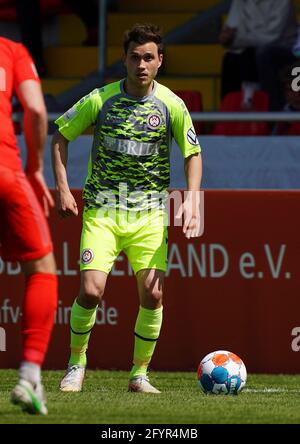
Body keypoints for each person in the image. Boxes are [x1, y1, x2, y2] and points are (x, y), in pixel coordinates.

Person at [51, 23, 202, 394]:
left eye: (148, 57)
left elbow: (193, 154)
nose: (141, 64)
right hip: (102, 212)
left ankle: (139, 374)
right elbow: (60, 137)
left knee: (152, 294)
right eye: (134, 57)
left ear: (160, 61)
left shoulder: (171, 104)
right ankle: (76, 364)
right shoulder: (100, 99)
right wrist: (62, 189)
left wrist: (193, 197)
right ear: (124, 59)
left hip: (150, 215)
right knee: (91, 291)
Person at [0, 37, 57, 414]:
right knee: (41, 269)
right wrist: (35, 168)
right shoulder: (11, 50)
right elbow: (36, 110)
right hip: (4, 171)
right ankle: (29, 375)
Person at [220, 0, 298, 110]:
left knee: (263, 54)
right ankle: (228, 113)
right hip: (249, 48)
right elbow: (231, 32)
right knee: (230, 59)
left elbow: (272, 37)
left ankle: (271, 110)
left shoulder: (283, 2)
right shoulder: (240, 2)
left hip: (284, 49)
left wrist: (237, 39)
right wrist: (227, 38)